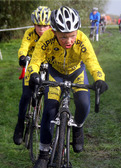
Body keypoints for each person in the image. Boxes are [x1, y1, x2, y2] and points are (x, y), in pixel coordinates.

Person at [28, 6, 108, 168]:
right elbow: (35, 60)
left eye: (72, 36)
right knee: (50, 110)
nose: (69, 41)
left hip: (76, 72)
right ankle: (44, 153)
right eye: (63, 37)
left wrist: (99, 78)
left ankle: (78, 127)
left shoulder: (82, 39)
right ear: (54, 32)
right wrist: (33, 74)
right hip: (55, 72)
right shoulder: (47, 38)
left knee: (84, 104)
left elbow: (92, 62)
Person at [13, 6, 51, 145]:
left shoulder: (53, 34)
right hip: (31, 65)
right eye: (38, 25)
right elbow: (24, 46)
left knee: (50, 96)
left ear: (50, 25)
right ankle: (20, 125)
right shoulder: (30, 33)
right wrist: (22, 56)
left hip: (47, 66)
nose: (41, 29)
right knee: (26, 95)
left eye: (45, 26)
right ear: (34, 24)